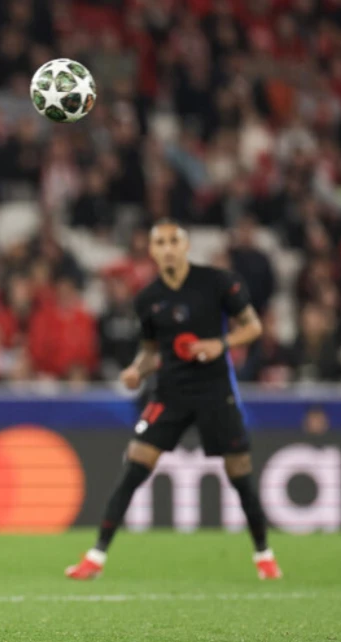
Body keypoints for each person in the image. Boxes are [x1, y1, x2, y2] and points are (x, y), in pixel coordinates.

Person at [65, 220, 282, 581]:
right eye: (159, 242)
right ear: (151, 251)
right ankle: (96, 556)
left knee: (239, 473)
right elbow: (150, 353)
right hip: (170, 392)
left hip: (215, 391)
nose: (167, 248)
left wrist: (221, 344)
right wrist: (137, 371)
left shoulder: (217, 282)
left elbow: (253, 326)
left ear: (185, 246)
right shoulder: (148, 299)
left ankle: (264, 555)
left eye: (173, 241)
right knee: (135, 464)